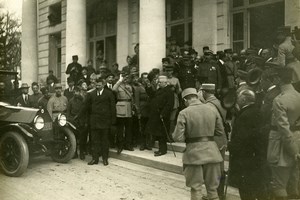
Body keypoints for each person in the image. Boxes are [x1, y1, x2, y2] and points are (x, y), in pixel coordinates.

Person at [172, 88, 223, 200]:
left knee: (196, 189)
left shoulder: (184, 113)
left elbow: (177, 137)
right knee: (212, 189)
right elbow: (220, 131)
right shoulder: (212, 109)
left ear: (186, 100)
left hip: (193, 154)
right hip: (212, 152)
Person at [267, 67, 300, 200]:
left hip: (281, 146)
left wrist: (293, 151)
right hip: (297, 140)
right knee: (294, 184)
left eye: (275, 78)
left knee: (279, 185)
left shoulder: (279, 100)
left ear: (278, 79)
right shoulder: (298, 96)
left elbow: (283, 128)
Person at [228, 89, 267, 200]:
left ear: (244, 99)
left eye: (239, 98)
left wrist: (231, 146)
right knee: (257, 189)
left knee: (246, 191)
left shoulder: (244, 115)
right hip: (256, 158)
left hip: (245, 160)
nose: (237, 100)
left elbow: (242, 139)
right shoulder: (258, 111)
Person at [78, 78, 116, 166]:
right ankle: (95, 159)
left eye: (99, 85)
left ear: (103, 85)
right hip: (94, 121)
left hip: (105, 121)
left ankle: (105, 159)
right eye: (96, 85)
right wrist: (79, 116)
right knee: (95, 141)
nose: (97, 87)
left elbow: (113, 108)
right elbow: (85, 106)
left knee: (105, 141)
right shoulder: (91, 94)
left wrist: (113, 121)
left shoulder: (109, 94)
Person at [201, 83, 228, 200]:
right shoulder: (220, 103)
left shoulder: (207, 106)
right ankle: (221, 194)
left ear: (204, 92)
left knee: (211, 169)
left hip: (213, 141)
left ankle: (213, 195)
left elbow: (209, 127)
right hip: (222, 140)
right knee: (220, 168)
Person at [145, 73, 174, 156]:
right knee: (159, 133)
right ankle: (161, 149)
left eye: (160, 82)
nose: (158, 84)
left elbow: (169, 105)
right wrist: (149, 86)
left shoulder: (169, 91)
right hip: (157, 115)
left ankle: (163, 150)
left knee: (162, 134)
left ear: (165, 83)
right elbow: (152, 95)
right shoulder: (160, 90)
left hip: (163, 116)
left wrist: (163, 114)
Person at [113, 71, 134, 153]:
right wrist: (119, 80)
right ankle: (120, 145)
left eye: (127, 77)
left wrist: (132, 108)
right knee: (120, 128)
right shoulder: (118, 86)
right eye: (124, 77)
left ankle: (128, 144)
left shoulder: (129, 86)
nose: (126, 78)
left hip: (128, 107)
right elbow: (114, 89)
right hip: (120, 107)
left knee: (129, 128)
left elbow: (131, 98)